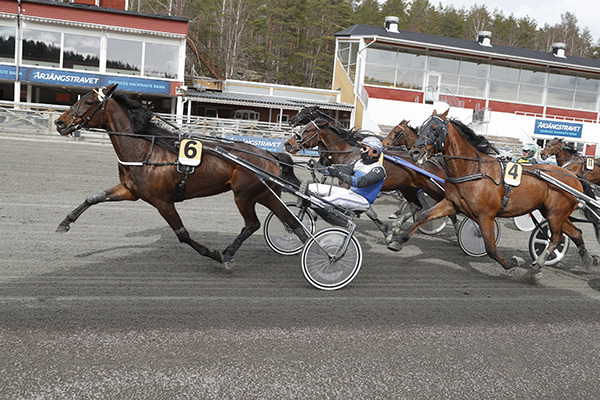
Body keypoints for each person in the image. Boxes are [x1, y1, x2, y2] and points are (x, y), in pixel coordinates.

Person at [299, 136, 386, 212]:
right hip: (351, 193)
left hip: (363, 201)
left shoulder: (378, 170)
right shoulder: (359, 163)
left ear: (374, 152)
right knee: (314, 187)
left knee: (338, 198)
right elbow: (341, 170)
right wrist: (317, 167)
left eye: (364, 148)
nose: (360, 150)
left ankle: (309, 202)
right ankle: (306, 198)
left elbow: (360, 183)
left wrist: (339, 174)